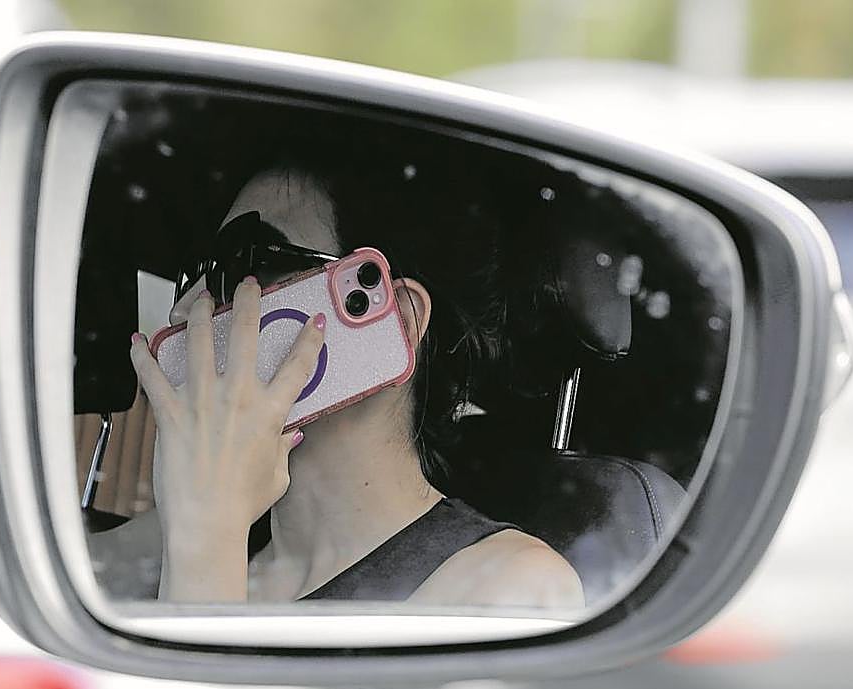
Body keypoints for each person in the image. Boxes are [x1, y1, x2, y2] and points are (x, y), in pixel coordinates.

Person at [107, 146, 584, 607]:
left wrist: (207, 541)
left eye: (244, 262)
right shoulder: (173, 535)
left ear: (393, 318)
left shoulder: (509, 588)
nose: (186, 308)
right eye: (199, 273)